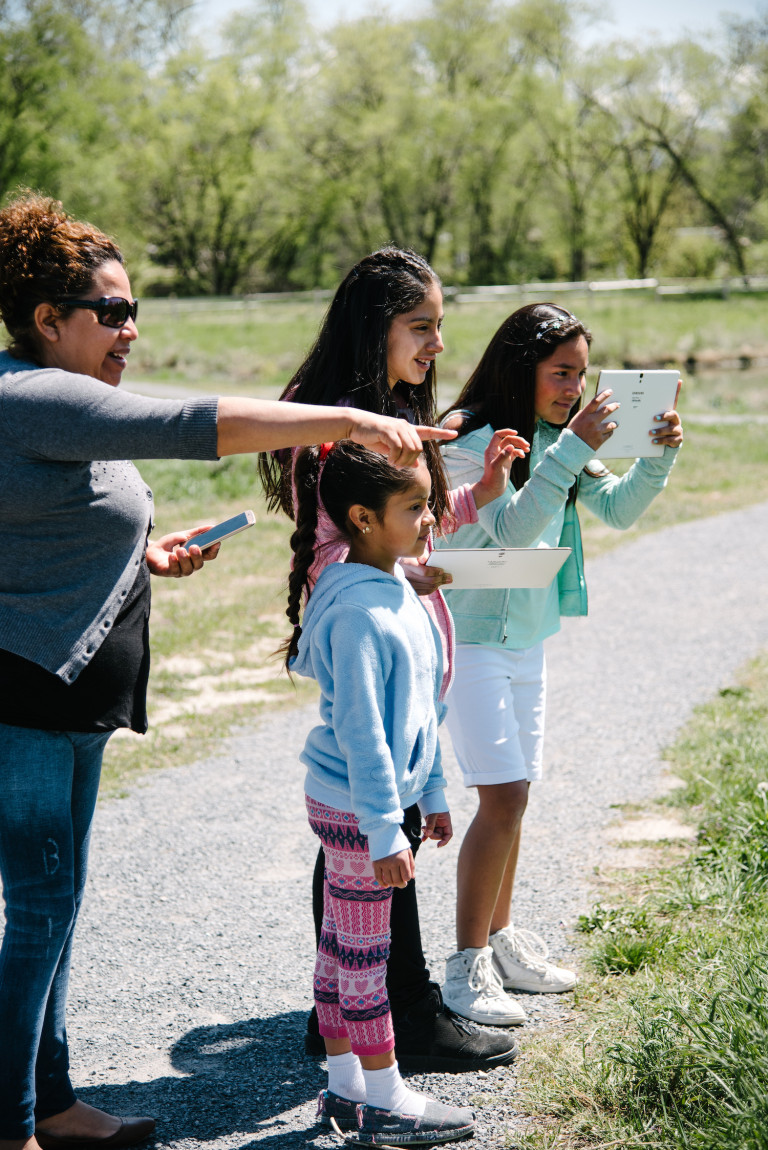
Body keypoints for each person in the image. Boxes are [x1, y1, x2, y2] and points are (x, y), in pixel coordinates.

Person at [0, 193, 452, 1150]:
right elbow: (191, 424)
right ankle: (11, 1124)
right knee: (39, 909)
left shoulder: (52, 407)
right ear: (47, 321)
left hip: (68, 698)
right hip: (28, 699)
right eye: (111, 312)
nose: (132, 328)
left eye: (134, 308)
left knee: (58, 903)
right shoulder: (32, 392)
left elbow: (40, 532)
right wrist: (356, 421)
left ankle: (51, 1101)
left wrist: (146, 558)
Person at [258, 246, 524, 1072]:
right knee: (375, 831)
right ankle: (400, 1012)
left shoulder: (383, 410)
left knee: (363, 832)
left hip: (399, 646)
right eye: (422, 326)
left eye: (440, 327)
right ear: (376, 328)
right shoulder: (330, 421)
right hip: (368, 649)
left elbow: (416, 525)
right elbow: (356, 538)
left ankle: (339, 1009)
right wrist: (403, 572)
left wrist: (476, 496)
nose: (438, 345)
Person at [436, 302, 684, 1027]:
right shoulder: (468, 438)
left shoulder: (557, 436)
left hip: (529, 639)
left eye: (581, 373)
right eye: (561, 372)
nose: (574, 387)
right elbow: (510, 525)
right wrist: (570, 447)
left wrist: (658, 455)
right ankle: (464, 969)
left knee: (517, 797)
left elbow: (618, 510)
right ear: (523, 367)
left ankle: (502, 942)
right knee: (503, 796)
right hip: (472, 639)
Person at [285, 439, 475, 1146]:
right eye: (417, 507)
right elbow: (367, 734)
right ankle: (384, 1098)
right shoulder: (360, 613)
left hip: (367, 802)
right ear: (363, 517)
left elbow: (419, 708)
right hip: (361, 807)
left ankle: (343, 1089)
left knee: (341, 949)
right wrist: (383, 828)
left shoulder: (392, 583)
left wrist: (431, 791)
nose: (432, 519)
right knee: (367, 960)